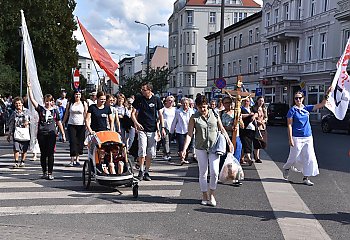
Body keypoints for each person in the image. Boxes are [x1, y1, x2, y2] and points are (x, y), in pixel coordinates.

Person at [181, 95, 233, 207]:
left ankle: (212, 194)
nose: (202, 110)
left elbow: (222, 129)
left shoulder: (215, 114)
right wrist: (185, 149)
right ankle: (204, 195)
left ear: (207, 105)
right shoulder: (194, 117)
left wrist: (229, 141)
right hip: (200, 147)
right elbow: (189, 134)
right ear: (196, 107)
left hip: (214, 147)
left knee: (214, 172)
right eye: (200, 108)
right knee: (203, 172)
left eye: (204, 107)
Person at [283, 90, 330, 186]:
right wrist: (290, 138)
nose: (298, 99)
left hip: (308, 137)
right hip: (296, 137)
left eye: (300, 98)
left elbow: (322, 104)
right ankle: (286, 168)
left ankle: (306, 177)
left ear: (303, 98)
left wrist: (327, 94)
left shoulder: (306, 108)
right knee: (293, 157)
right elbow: (289, 125)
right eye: (296, 98)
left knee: (309, 157)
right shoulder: (292, 110)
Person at [27, 81, 66, 180]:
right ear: (44, 101)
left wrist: (63, 134)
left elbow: (59, 122)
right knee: (43, 153)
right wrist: (29, 88)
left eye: (50, 101)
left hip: (51, 134)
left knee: (50, 153)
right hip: (42, 133)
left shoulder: (55, 110)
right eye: (46, 101)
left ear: (52, 101)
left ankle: (50, 172)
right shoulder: (41, 109)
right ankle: (44, 171)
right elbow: (32, 100)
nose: (48, 103)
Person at [131, 82, 165, 181]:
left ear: (149, 90)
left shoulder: (156, 100)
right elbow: (133, 113)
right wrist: (136, 123)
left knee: (150, 152)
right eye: (141, 89)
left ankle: (147, 171)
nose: (142, 91)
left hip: (153, 129)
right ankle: (141, 170)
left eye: (144, 90)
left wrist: (162, 128)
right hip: (142, 129)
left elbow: (160, 115)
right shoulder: (139, 100)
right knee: (142, 149)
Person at [219, 97, 243, 186]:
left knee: (236, 158)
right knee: (223, 157)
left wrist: (239, 121)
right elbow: (219, 127)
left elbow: (243, 126)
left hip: (235, 137)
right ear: (223, 104)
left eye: (229, 102)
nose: (228, 104)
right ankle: (222, 175)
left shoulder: (236, 113)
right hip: (225, 137)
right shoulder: (221, 113)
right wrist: (228, 128)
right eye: (226, 103)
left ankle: (236, 178)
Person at [62, 89, 88, 167]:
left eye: (79, 94)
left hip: (81, 124)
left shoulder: (84, 103)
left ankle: (77, 159)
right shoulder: (70, 103)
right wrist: (63, 122)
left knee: (79, 142)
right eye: (76, 94)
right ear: (74, 95)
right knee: (72, 142)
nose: (77, 96)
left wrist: (87, 124)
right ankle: (72, 159)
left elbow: (86, 114)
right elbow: (66, 113)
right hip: (71, 124)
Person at [7, 97, 30, 168]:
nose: (18, 105)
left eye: (19, 103)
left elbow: (33, 120)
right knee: (16, 147)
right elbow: (11, 123)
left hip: (25, 132)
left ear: (22, 104)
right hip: (16, 132)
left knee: (24, 148)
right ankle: (16, 162)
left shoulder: (27, 111)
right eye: (16, 104)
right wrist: (9, 134)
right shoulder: (14, 113)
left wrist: (28, 122)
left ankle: (22, 161)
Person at [170, 98, 194, 165]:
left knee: (188, 146)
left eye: (186, 103)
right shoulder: (178, 111)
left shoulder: (191, 111)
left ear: (189, 104)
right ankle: (182, 159)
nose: (185, 105)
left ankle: (185, 158)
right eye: (184, 103)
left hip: (189, 131)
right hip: (180, 131)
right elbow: (175, 121)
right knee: (181, 145)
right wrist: (172, 130)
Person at [240, 97, 257, 165]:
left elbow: (256, 113)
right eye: (245, 101)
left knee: (247, 144)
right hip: (245, 128)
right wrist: (249, 115)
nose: (246, 102)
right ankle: (249, 159)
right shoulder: (241, 109)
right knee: (247, 144)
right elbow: (240, 115)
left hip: (252, 129)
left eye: (247, 101)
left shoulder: (251, 108)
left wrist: (254, 116)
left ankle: (242, 158)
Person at [252, 96, 268, 163]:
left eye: (262, 101)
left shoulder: (264, 108)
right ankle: (257, 157)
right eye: (260, 100)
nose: (261, 102)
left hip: (262, 127)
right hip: (256, 127)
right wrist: (257, 121)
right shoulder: (253, 108)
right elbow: (252, 117)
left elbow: (266, 117)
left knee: (263, 143)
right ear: (257, 101)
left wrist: (263, 121)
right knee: (257, 143)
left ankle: (255, 154)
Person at [160, 95, 176, 161]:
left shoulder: (175, 109)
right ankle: (168, 154)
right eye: (169, 100)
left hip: (172, 126)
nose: (171, 102)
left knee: (169, 141)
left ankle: (165, 152)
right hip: (165, 126)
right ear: (166, 101)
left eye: (172, 101)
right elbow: (159, 117)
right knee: (166, 140)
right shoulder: (163, 109)